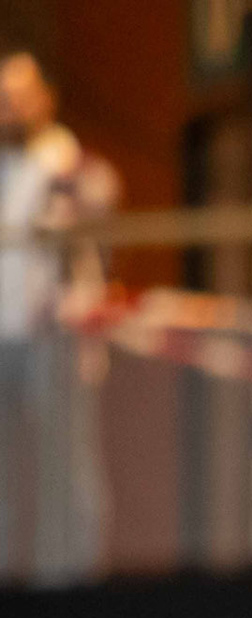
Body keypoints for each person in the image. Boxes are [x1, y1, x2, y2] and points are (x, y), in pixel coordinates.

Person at [0, 51, 81, 575]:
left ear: (44, 100)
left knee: (63, 465)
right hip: (1, 337)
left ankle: (69, 578)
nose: (9, 110)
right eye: (2, 100)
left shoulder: (62, 158)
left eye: (18, 99)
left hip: (49, 339)